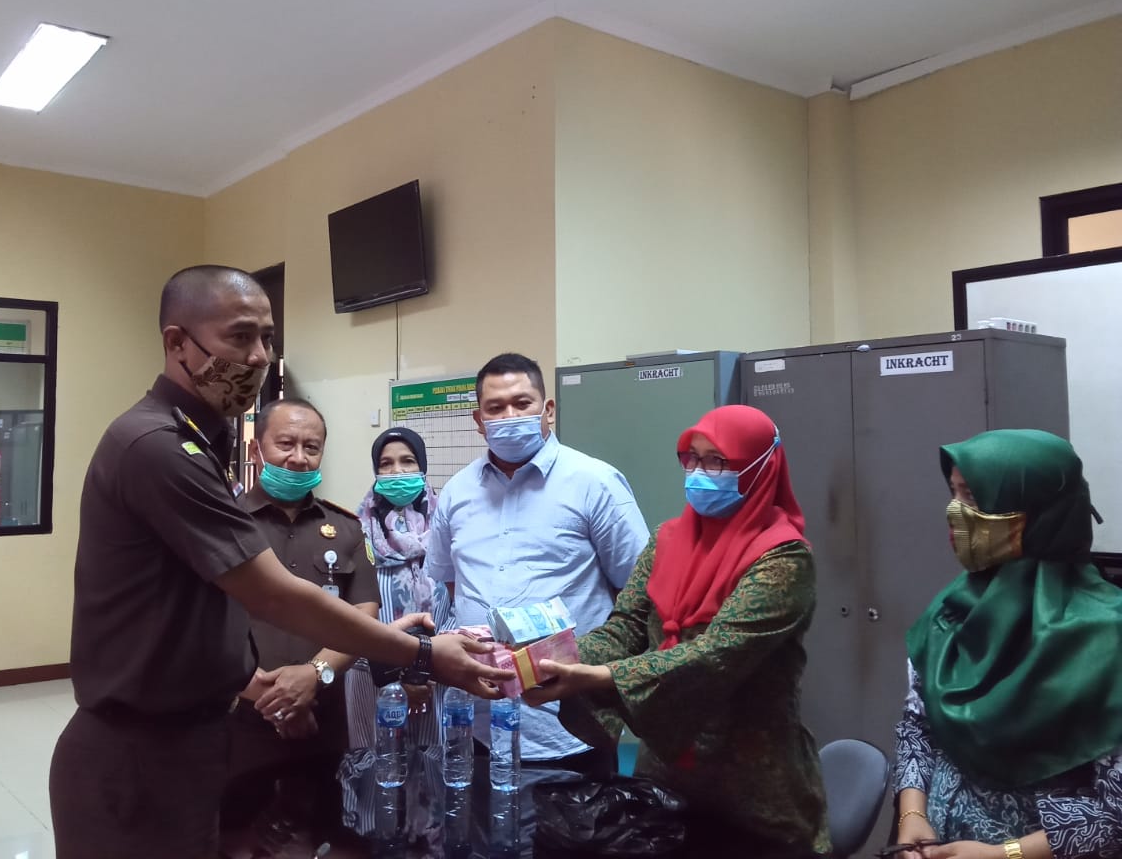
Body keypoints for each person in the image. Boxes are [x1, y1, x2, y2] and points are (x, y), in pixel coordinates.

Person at [49, 265, 511, 859]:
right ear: (177, 342)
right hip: (140, 757)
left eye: (267, 338)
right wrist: (424, 654)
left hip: (196, 739)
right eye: (240, 337)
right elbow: (274, 595)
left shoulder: (205, 446)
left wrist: (297, 675)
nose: (259, 357)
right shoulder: (159, 447)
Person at [527, 404, 829, 855]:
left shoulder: (784, 558)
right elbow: (626, 628)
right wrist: (551, 659)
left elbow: (717, 654)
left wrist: (600, 677)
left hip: (758, 795)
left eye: (718, 461)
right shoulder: (666, 540)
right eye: (693, 458)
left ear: (760, 467)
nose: (700, 472)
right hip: (667, 780)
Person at [891, 429, 1122, 859]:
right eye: (954, 493)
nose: (956, 512)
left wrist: (1004, 853)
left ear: (1039, 511)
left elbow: (1116, 811)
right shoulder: (951, 611)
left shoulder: (1108, 636)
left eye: (974, 497)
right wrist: (912, 815)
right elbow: (917, 726)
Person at [426, 352, 649, 773]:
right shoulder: (456, 492)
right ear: (478, 420)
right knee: (481, 817)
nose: (509, 416)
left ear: (548, 409)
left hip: (573, 726)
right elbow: (453, 586)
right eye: (495, 408)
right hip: (480, 726)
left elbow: (637, 595)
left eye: (521, 403)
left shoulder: (595, 483)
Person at [222, 397, 380, 828]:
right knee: (237, 836)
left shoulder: (346, 528)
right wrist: (272, 699)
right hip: (236, 721)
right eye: (285, 443)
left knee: (321, 834)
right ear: (257, 449)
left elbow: (364, 613)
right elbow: (195, 617)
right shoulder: (223, 524)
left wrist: (314, 675)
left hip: (321, 724)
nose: (298, 458)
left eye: (311, 447)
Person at [346, 427, 453, 748]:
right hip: (373, 676)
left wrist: (425, 671)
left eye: (407, 461)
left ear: (422, 466)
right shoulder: (354, 533)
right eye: (386, 463)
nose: (397, 471)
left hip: (439, 675)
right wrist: (393, 676)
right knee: (376, 765)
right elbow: (349, 619)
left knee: (435, 763)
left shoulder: (447, 528)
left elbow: (458, 605)